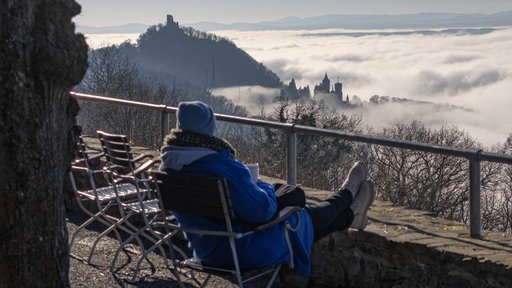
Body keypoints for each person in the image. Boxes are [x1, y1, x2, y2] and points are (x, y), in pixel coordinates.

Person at [159, 101, 375, 277]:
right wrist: (260, 184)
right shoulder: (223, 167)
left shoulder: (167, 166)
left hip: (204, 248)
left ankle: (351, 213)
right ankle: (348, 193)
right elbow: (263, 211)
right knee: (303, 216)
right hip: (241, 248)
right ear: (209, 129)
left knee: (299, 207)